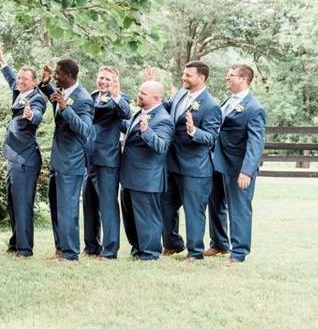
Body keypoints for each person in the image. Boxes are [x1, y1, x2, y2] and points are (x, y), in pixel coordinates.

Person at [148, 62, 222, 261]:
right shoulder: (181, 93)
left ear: (201, 78)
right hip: (171, 163)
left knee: (193, 211)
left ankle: (195, 252)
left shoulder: (211, 106)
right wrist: (153, 89)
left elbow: (211, 138)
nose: (184, 78)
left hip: (195, 169)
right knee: (166, 205)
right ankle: (172, 244)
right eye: (184, 74)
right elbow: (170, 109)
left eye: (188, 75)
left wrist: (193, 131)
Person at [38, 59, 94, 262]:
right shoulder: (63, 92)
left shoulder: (84, 99)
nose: (55, 76)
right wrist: (45, 84)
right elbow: (54, 96)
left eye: (58, 73)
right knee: (56, 207)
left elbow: (85, 130)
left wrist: (65, 108)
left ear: (70, 75)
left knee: (68, 210)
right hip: (57, 160)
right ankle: (60, 248)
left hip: (71, 163)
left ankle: (70, 253)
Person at [0, 43, 47, 258]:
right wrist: (2, 62)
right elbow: (10, 79)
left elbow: (37, 115)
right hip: (13, 157)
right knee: (13, 202)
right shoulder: (18, 91)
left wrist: (29, 115)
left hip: (26, 159)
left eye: (25, 79)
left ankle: (25, 249)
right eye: (20, 77)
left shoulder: (37, 98)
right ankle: (16, 242)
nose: (20, 80)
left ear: (34, 82)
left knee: (23, 204)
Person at [212, 64, 266, 264]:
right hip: (217, 162)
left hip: (238, 166)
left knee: (239, 208)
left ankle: (239, 251)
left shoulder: (254, 108)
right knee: (215, 204)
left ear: (243, 79)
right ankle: (219, 243)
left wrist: (247, 171)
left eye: (231, 76)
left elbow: (255, 143)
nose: (227, 79)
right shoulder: (227, 101)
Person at [120, 81, 174, 260]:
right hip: (129, 175)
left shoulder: (163, 119)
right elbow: (130, 129)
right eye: (140, 91)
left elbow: (162, 146)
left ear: (156, 98)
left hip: (147, 177)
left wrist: (147, 131)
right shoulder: (141, 112)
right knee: (130, 218)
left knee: (147, 218)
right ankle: (137, 249)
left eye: (143, 93)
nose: (139, 94)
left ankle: (150, 253)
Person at [84, 65, 131, 259]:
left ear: (115, 82)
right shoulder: (91, 96)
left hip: (107, 161)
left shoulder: (121, 99)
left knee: (107, 206)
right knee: (89, 204)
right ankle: (91, 246)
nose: (103, 82)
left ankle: (110, 250)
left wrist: (116, 94)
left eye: (108, 79)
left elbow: (127, 113)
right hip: (88, 159)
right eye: (101, 78)